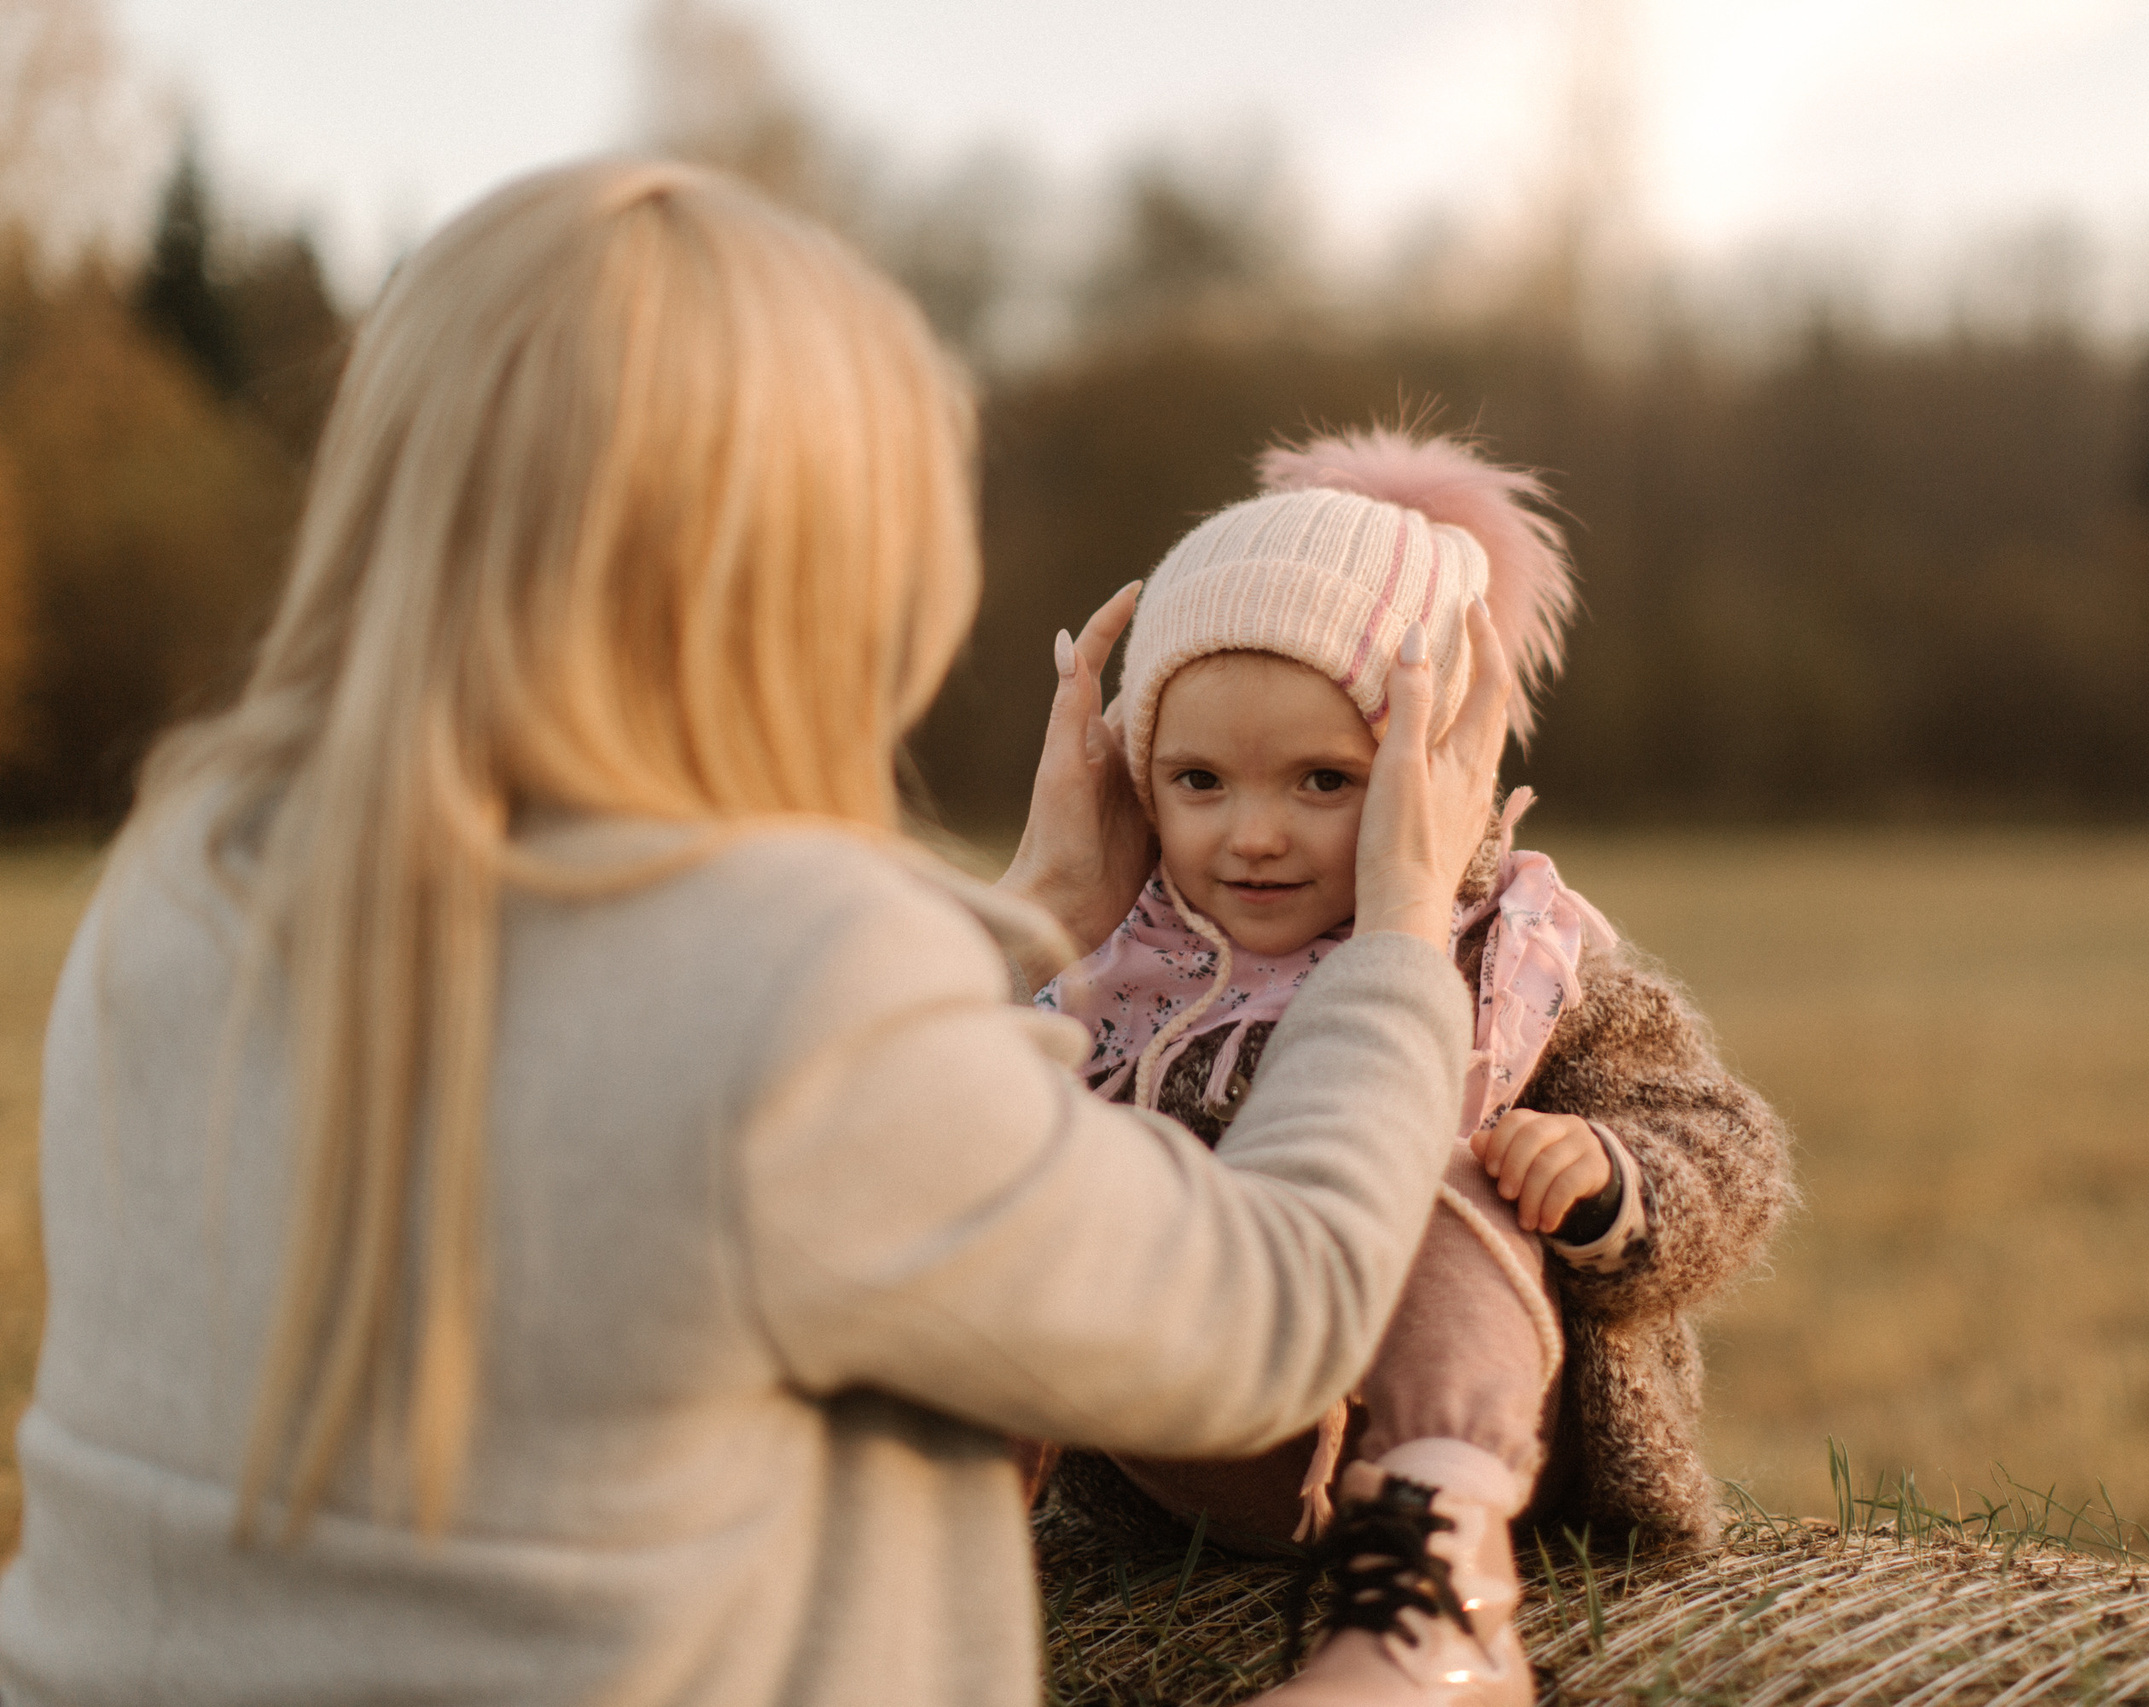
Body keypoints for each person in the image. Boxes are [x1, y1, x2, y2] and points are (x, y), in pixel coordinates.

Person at [0, 161, 1512, 1707]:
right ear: (815, 565)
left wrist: (1041, 913)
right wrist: (1399, 932)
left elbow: (687, 1129)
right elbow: (1273, 1313)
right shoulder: (787, 976)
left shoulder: (181, 876)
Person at [1030, 429, 1795, 1706]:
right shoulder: (1125, 961)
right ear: (1135, 775)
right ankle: (914, 1555)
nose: (1254, 834)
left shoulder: (1514, 959)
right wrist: (1046, 929)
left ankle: (1441, 1593)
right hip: (1203, 1441)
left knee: (1433, 1161)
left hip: (1477, 1428)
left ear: (1430, 769)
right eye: (1199, 779)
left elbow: (1729, 1148)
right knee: (1025, 1157)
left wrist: (1612, 1180)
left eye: (1328, 779)